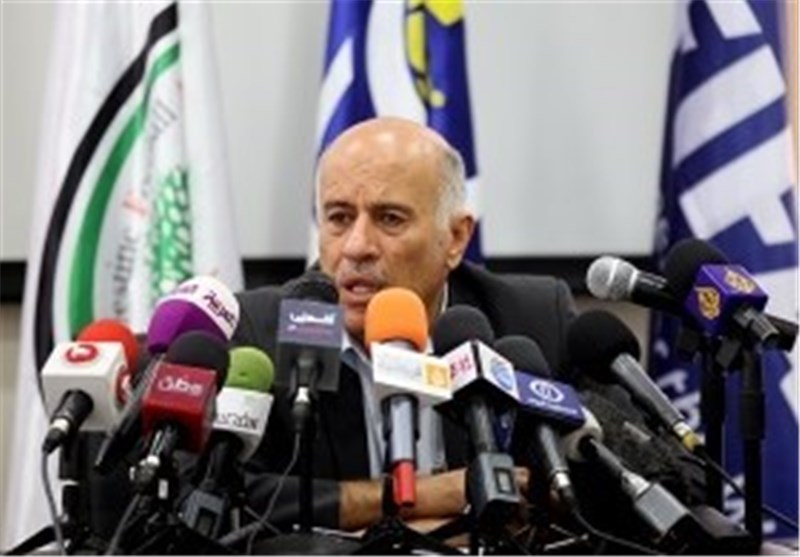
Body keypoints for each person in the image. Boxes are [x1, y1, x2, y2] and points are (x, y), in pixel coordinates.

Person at [233, 117, 705, 546]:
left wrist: (525, 511)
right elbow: (225, 496)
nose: (356, 246)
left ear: (455, 238)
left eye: (390, 219)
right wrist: (422, 498)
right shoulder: (261, 329)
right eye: (339, 218)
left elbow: (668, 479)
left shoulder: (533, 321)